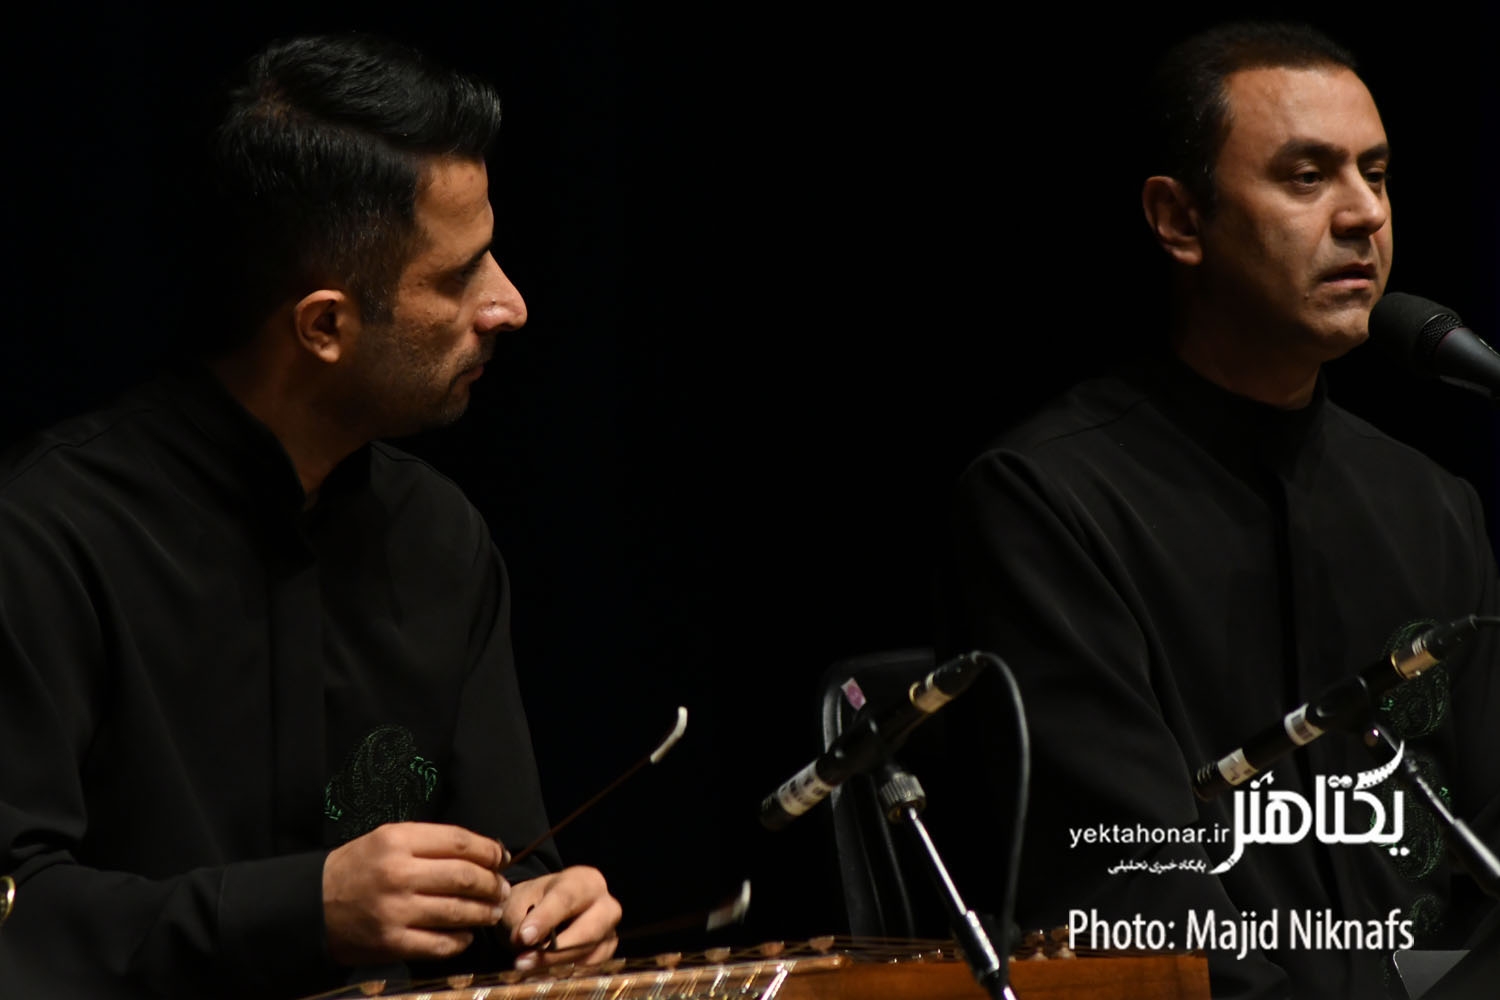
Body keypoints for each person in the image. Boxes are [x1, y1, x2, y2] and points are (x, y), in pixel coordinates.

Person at [0, 32, 620, 999]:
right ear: (324, 325)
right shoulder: (45, 535)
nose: (510, 304)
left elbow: (510, 864)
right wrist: (305, 909)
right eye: (459, 276)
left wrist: (545, 914)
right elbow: (15, 914)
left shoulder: (442, 539)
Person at [940, 21, 1498, 1000]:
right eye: (1307, 177)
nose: (1365, 213)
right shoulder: (1052, 498)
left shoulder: (1431, 505)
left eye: (1376, 173)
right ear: (1179, 220)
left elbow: (1480, 868)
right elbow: (1128, 886)